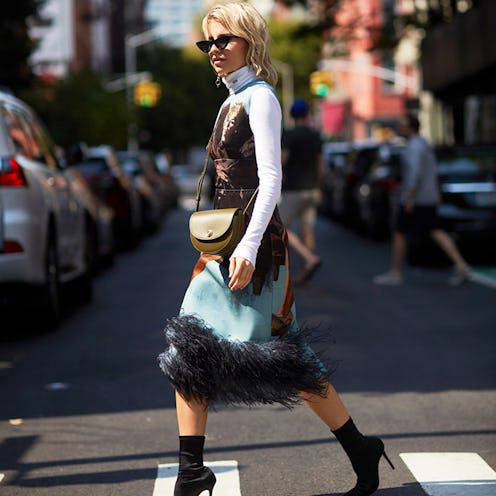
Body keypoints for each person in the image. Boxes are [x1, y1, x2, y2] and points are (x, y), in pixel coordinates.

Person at [158, 3, 393, 495]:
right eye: (208, 43)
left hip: (256, 250)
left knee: (219, 350)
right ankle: (192, 471)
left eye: (224, 40)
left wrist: (246, 248)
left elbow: (271, 183)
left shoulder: (260, 97)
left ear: (249, 40)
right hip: (226, 247)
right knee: (212, 351)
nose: (214, 51)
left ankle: (191, 472)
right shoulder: (230, 100)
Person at [374, 114, 472, 287]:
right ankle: (460, 265)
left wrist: (409, 197)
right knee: (433, 230)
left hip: (417, 198)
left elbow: (414, 173)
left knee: (402, 231)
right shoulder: (423, 143)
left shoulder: (415, 147)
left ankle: (396, 272)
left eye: (401, 124)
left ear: (410, 127)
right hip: (426, 196)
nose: (398, 127)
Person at [279, 98, 323, 285]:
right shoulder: (315, 135)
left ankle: (308, 258)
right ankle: (306, 270)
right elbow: (321, 164)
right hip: (312, 189)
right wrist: (320, 187)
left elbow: (283, 160)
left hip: (293, 189)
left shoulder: (289, 135)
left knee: (280, 228)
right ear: (307, 114)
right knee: (307, 229)